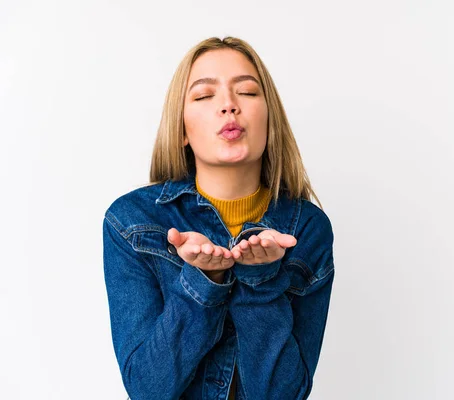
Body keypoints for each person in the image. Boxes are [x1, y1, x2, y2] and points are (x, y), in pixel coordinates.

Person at [102, 36, 335, 400]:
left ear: (270, 120)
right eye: (204, 96)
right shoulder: (131, 222)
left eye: (247, 92)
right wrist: (203, 282)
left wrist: (260, 281)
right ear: (181, 129)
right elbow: (148, 390)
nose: (228, 106)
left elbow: (282, 394)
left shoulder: (308, 230)